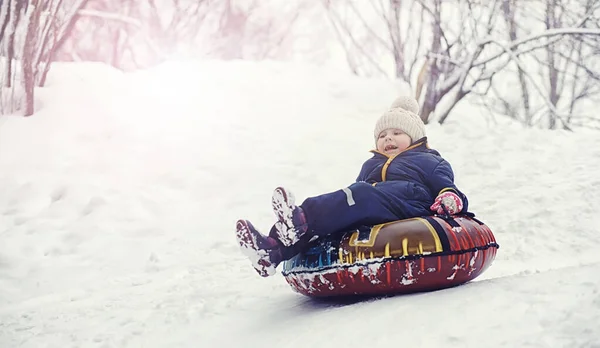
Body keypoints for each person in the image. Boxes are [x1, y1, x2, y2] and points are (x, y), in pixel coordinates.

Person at [235, 96, 469, 277]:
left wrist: (449, 197)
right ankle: (272, 250)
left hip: (409, 204)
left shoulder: (428, 159)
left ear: (415, 137)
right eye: (383, 135)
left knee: (361, 193)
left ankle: (299, 218)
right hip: (375, 207)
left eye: (397, 133)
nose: (388, 139)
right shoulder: (371, 164)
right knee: (329, 220)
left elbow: (446, 186)